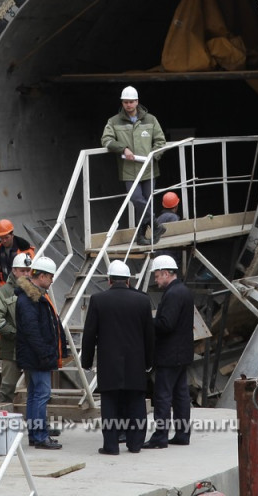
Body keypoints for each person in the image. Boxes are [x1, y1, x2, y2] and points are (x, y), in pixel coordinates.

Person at [80, 259, 155, 455]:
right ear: (129, 280)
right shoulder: (143, 300)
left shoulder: (98, 300)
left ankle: (111, 446)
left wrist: (86, 361)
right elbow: (149, 335)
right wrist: (149, 362)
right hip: (136, 363)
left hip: (109, 364)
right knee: (136, 403)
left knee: (110, 404)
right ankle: (136, 444)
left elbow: (89, 335)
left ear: (109, 280)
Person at [15, 255, 69, 450]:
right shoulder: (30, 299)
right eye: (51, 276)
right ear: (42, 276)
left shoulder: (35, 296)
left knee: (34, 395)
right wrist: (46, 353)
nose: (53, 280)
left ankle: (35, 433)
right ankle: (39, 436)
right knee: (41, 394)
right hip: (37, 357)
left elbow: (49, 324)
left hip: (34, 356)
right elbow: (32, 332)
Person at [101, 86, 166, 241]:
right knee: (137, 199)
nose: (128, 105)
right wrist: (123, 149)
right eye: (125, 102)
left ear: (137, 102)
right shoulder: (114, 121)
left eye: (131, 102)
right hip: (129, 170)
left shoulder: (151, 119)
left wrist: (153, 155)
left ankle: (141, 236)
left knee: (144, 203)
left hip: (149, 168)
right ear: (122, 103)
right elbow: (106, 140)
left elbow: (160, 142)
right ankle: (156, 225)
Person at [145, 254, 193, 448]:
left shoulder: (173, 294)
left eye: (157, 276)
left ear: (165, 273)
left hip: (169, 354)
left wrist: (147, 322)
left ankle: (160, 436)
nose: (156, 281)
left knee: (163, 395)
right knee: (181, 394)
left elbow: (166, 324)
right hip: (182, 353)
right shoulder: (183, 291)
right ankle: (182, 434)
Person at [0, 252, 33, 404]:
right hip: (11, 349)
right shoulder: (2, 292)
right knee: (7, 388)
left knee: (35, 389)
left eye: (28, 271)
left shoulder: (34, 292)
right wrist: (15, 334)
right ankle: (2, 423)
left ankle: (37, 423)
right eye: (22, 271)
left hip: (31, 349)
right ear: (14, 271)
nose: (26, 274)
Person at [0, 218, 31, 294]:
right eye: (1, 238)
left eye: (6, 237)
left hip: (22, 289)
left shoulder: (25, 250)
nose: (4, 240)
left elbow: (32, 272)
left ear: (12, 235)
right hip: (5, 288)